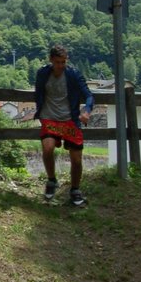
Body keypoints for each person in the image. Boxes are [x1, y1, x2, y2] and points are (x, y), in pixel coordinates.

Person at [34, 43, 93, 207]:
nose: (60, 66)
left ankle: (75, 190)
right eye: (58, 62)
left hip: (69, 119)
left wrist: (86, 111)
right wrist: (38, 111)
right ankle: (51, 180)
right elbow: (38, 93)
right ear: (51, 60)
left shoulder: (73, 75)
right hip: (49, 117)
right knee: (47, 148)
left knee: (76, 159)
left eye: (63, 62)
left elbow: (88, 96)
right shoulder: (43, 74)